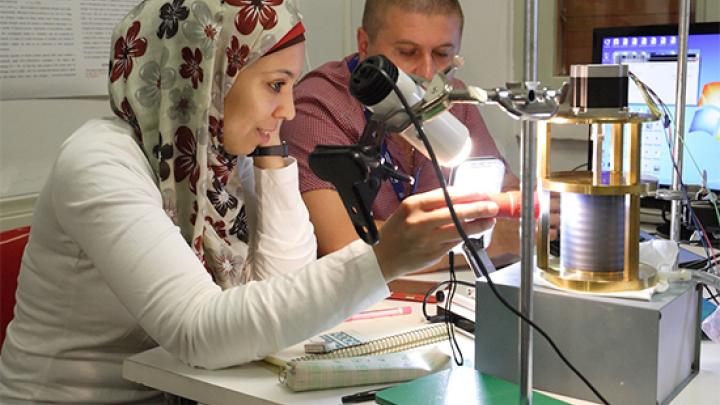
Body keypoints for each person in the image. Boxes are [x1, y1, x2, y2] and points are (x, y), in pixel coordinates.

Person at [0, 1, 498, 403]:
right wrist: (382, 258)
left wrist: (272, 149)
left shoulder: (218, 159)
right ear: (205, 76)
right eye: (276, 85)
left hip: (184, 391)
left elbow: (282, 294)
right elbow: (200, 333)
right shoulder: (99, 162)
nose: (290, 107)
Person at [281, 0, 522, 266]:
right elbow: (342, 245)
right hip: (362, 302)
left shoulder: (453, 99)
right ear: (364, 45)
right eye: (408, 52)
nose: (428, 72)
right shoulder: (319, 107)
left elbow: (505, 191)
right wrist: (490, 243)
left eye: (442, 54)